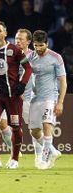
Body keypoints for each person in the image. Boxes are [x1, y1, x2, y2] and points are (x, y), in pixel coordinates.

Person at [0, 20, 32, 169]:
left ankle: (15, 159)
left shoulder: (15, 50)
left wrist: (22, 84)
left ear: (5, 33)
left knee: (15, 127)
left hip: (12, 96)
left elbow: (28, 68)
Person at [27, 30, 65, 169]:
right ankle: (52, 150)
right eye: (36, 45)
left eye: (41, 45)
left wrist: (60, 102)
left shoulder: (56, 58)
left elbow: (63, 82)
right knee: (34, 131)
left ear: (47, 44)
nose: (38, 48)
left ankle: (45, 158)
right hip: (35, 98)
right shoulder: (30, 57)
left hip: (50, 97)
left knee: (47, 123)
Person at [0, 28, 33, 157]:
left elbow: (34, 75)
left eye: (21, 39)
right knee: (2, 123)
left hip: (28, 98)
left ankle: (48, 151)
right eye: (16, 38)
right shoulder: (9, 53)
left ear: (28, 41)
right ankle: (14, 150)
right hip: (10, 96)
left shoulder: (33, 56)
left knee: (35, 129)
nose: (18, 41)